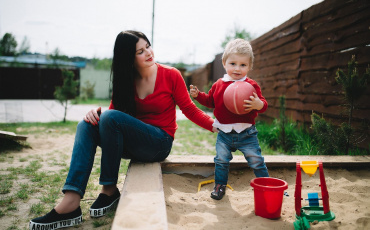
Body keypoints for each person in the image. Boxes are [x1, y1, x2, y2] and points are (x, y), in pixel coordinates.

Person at [29, 30, 217, 229]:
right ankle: (71, 202)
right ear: (128, 57)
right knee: (86, 125)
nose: (148, 53)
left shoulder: (171, 75)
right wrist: (96, 114)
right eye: (140, 51)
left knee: (108, 118)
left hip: (159, 143)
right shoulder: (126, 80)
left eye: (148, 46)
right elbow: (112, 117)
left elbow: (188, 108)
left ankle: (108, 190)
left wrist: (215, 126)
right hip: (133, 144)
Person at [190, 38, 269, 200]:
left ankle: (267, 184)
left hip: (247, 133)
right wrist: (198, 96)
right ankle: (219, 185)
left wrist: (258, 104)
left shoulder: (251, 85)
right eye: (233, 63)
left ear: (249, 66)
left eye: (243, 65)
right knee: (221, 160)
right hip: (224, 133)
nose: (237, 69)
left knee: (256, 160)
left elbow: (264, 105)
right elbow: (210, 101)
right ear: (225, 63)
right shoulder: (219, 84)